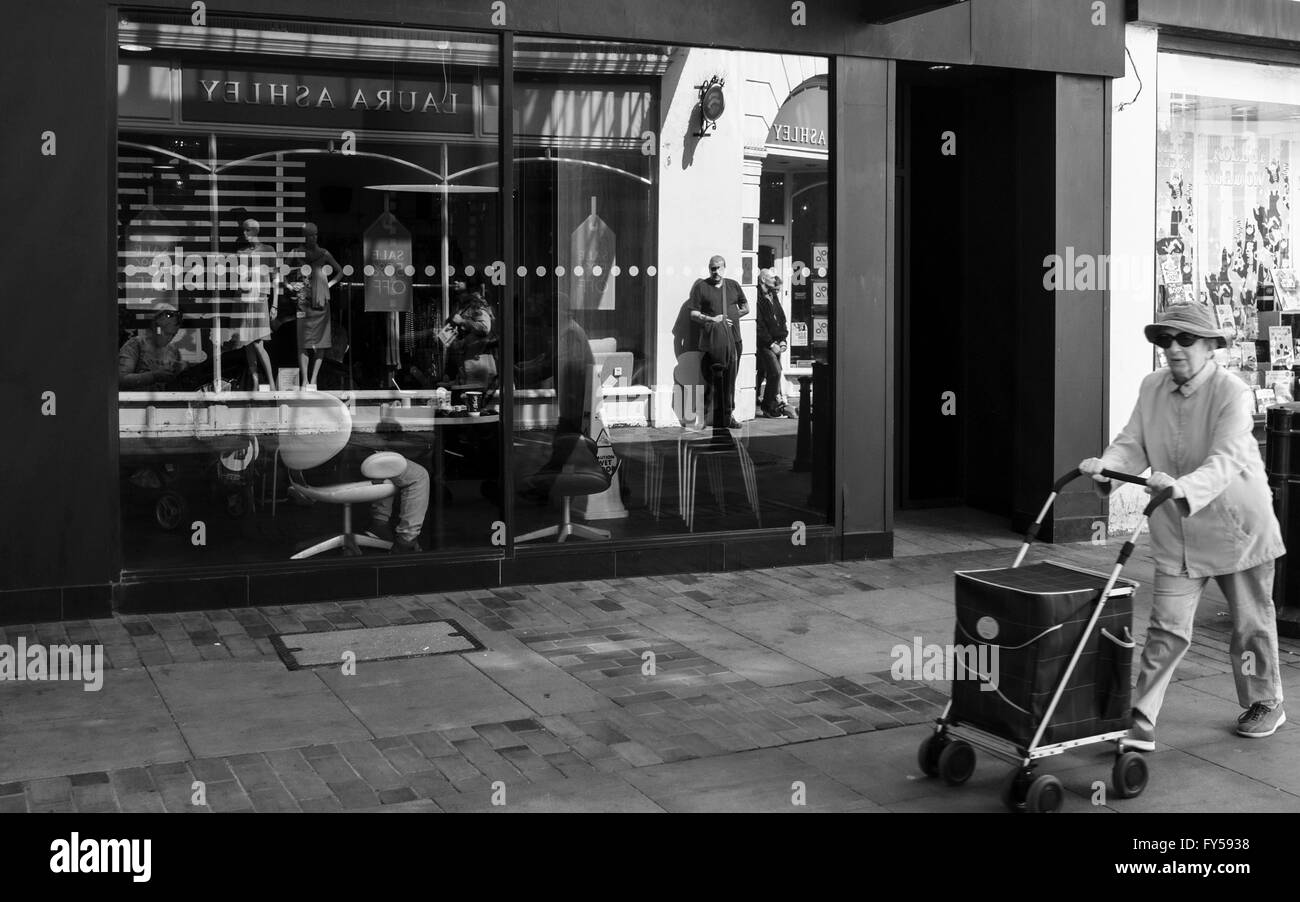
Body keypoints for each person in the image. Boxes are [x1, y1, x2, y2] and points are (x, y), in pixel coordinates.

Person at [1079, 302, 1286, 750]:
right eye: (1164, 339)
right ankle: (1141, 716)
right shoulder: (1151, 386)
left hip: (1237, 528)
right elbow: (1131, 442)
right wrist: (1107, 468)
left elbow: (1227, 458)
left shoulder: (1232, 392)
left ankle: (1264, 700)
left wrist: (1182, 486)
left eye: (1185, 339)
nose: (1173, 348)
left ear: (1212, 346)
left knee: (1249, 625)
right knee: (1166, 626)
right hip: (1176, 528)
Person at [687, 254, 748, 429]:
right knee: (711, 379)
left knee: (730, 380)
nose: (715, 271)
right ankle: (704, 416)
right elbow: (693, 314)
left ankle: (728, 416)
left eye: (718, 267)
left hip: (734, 339)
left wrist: (732, 317)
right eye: (712, 268)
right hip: (714, 342)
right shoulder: (702, 287)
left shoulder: (733, 285)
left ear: (724, 267)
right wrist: (713, 320)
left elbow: (746, 307)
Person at [286, 222, 343, 387]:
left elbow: (339, 271)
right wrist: (290, 286)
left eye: (315, 234)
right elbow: (282, 272)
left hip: (321, 302)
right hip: (303, 301)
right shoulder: (295, 253)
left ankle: (314, 379)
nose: (313, 238)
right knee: (302, 342)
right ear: (304, 236)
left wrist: (329, 285)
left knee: (322, 342)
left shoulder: (324, 253)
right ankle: (304, 380)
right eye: (310, 235)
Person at [233, 217, 278, 389]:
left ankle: (272, 384)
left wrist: (275, 304)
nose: (245, 234)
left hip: (260, 299)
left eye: (248, 230)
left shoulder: (268, 250)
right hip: (244, 299)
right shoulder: (241, 253)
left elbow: (275, 278)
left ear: (255, 231)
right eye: (243, 230)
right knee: (248, 345)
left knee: (258, 343)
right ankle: (255, 382)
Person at [362, 458, 431, 554]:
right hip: (362, 454)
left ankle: (380, 525)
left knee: (390, 464)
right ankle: (407, 539)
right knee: (418, 475)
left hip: (349, 456)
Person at [754, 268, 796, 419]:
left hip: (776, 341)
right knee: (775, 372)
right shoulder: (758, 298)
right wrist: (771, 343)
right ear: (763, 280)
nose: (775, 280)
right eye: (772, 278)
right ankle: (768, 407)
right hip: (766, 344)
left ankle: (771, 404)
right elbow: (759, 325)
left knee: (771, 372)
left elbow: (781, 318)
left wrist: (783, 339)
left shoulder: (773, 296)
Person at [118, 300, 187, 389]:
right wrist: (153, 376)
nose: (169, 339)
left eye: (173, 334)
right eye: (165, 333)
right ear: (155, 327)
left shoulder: (173, 350)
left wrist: (182, 370)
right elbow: (121, 380)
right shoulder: (135, 345)